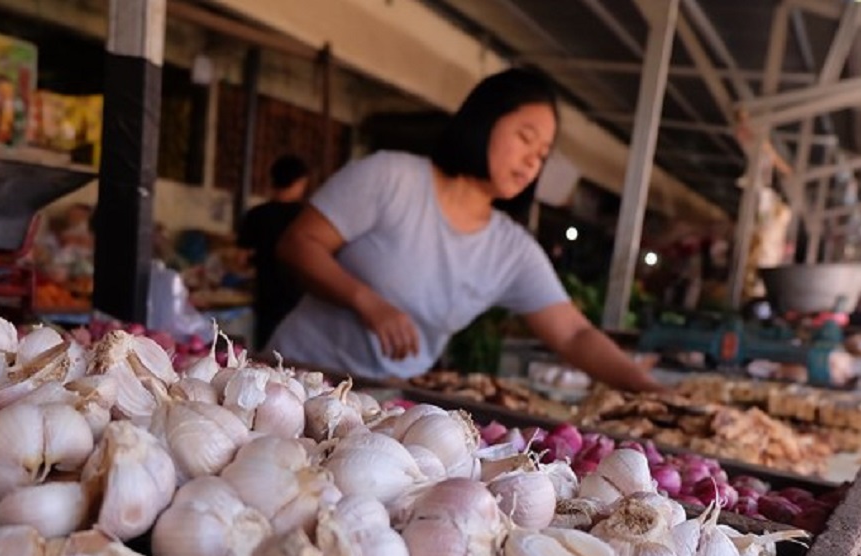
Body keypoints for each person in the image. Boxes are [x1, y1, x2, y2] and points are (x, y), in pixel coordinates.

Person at [265, 68, 662, 392]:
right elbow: (299, 243)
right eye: (525, 139)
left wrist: (651, 391)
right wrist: (367, 302)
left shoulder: (512, 250)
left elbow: (574, 334)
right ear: (485, 120)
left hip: (377, 406)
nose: (531, 163)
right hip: (294, 379)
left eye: (542, 155)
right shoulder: (392, 177)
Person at [239, 154, 311, 349]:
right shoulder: (306, 218)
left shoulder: (256, 214)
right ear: (301, 182)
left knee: (266, 352)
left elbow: (242, 259)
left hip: (266, 295)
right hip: (301, 297)